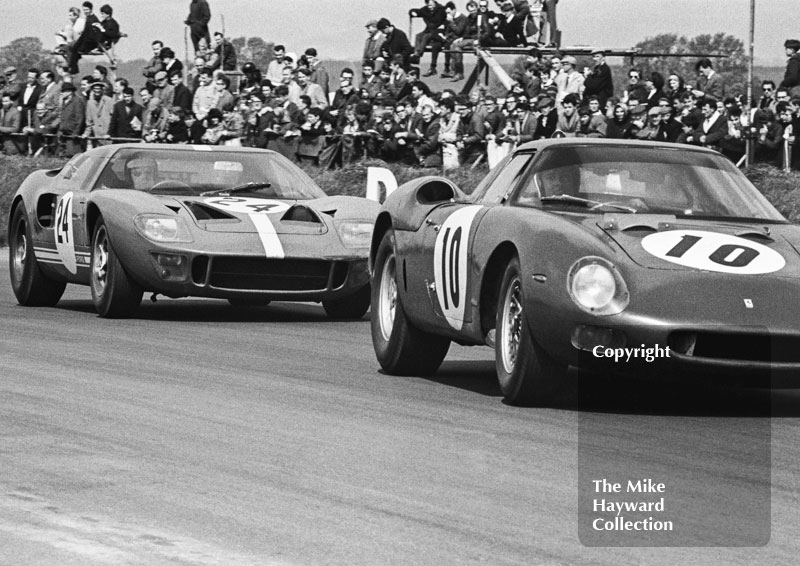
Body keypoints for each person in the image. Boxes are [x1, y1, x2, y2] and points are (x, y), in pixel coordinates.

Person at [411, 0, 447, 77]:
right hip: (428, 30)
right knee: (418, 35)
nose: (430, 7)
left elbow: (446, 18)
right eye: (428, 5)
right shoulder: (425, 10)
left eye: (431, 5)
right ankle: (416, 54)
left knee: (425, 37)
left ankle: (420, 53)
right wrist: (412, 12)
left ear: (434, 3)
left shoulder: (441, 10)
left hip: (437, 31)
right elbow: (418, 11)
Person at [58, 82, 85, 155]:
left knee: (74, 155)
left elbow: (80, 118)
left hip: (73, 134)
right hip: (65, 133)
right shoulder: (63, 102)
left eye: (63, 91)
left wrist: (76, 132)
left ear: (69, 92)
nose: (61, 93)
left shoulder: (77, 101)